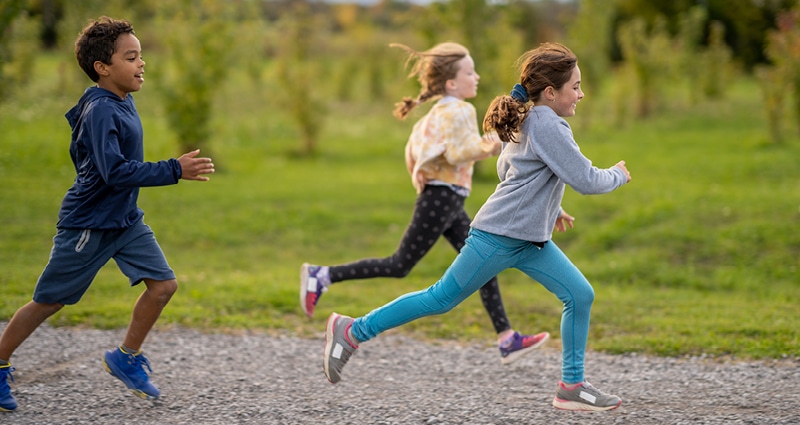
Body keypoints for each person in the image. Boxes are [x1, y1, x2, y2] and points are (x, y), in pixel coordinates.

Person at [322, 42, 631, 412]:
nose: (581, 94)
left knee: (579, 294)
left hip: (529, 239)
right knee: (440, 298)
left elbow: (513, 171)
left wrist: (552, 207)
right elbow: (585, 178)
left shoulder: (530, 119)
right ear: (551, 92)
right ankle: (352, 331)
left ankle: (572, 386)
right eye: (576, 87)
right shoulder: (549, 124)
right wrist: (618, 174)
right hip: (500, 237)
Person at [0, 16, 215, 411]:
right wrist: (173, 169)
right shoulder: (100, 110)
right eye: (131, 57)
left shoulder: (121, 100)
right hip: (89, 222)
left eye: (140, 56)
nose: (141, 64)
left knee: (163, 286)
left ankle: (126, 357)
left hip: (125, 220)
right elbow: (112, 171)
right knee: (49, 301)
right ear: (103, 67)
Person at [301, 41, 548, 365]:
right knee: (400, 264)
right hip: (442, 198)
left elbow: (412, 150)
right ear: (451, 83)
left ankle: (506, 338)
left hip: (445, 198)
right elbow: (459, 151)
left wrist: (421, 176)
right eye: (470, 72)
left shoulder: (436, 113)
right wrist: (491, 144)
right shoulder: (460, 109)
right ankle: (323, 276)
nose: (477, 77)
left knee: (481, 263)